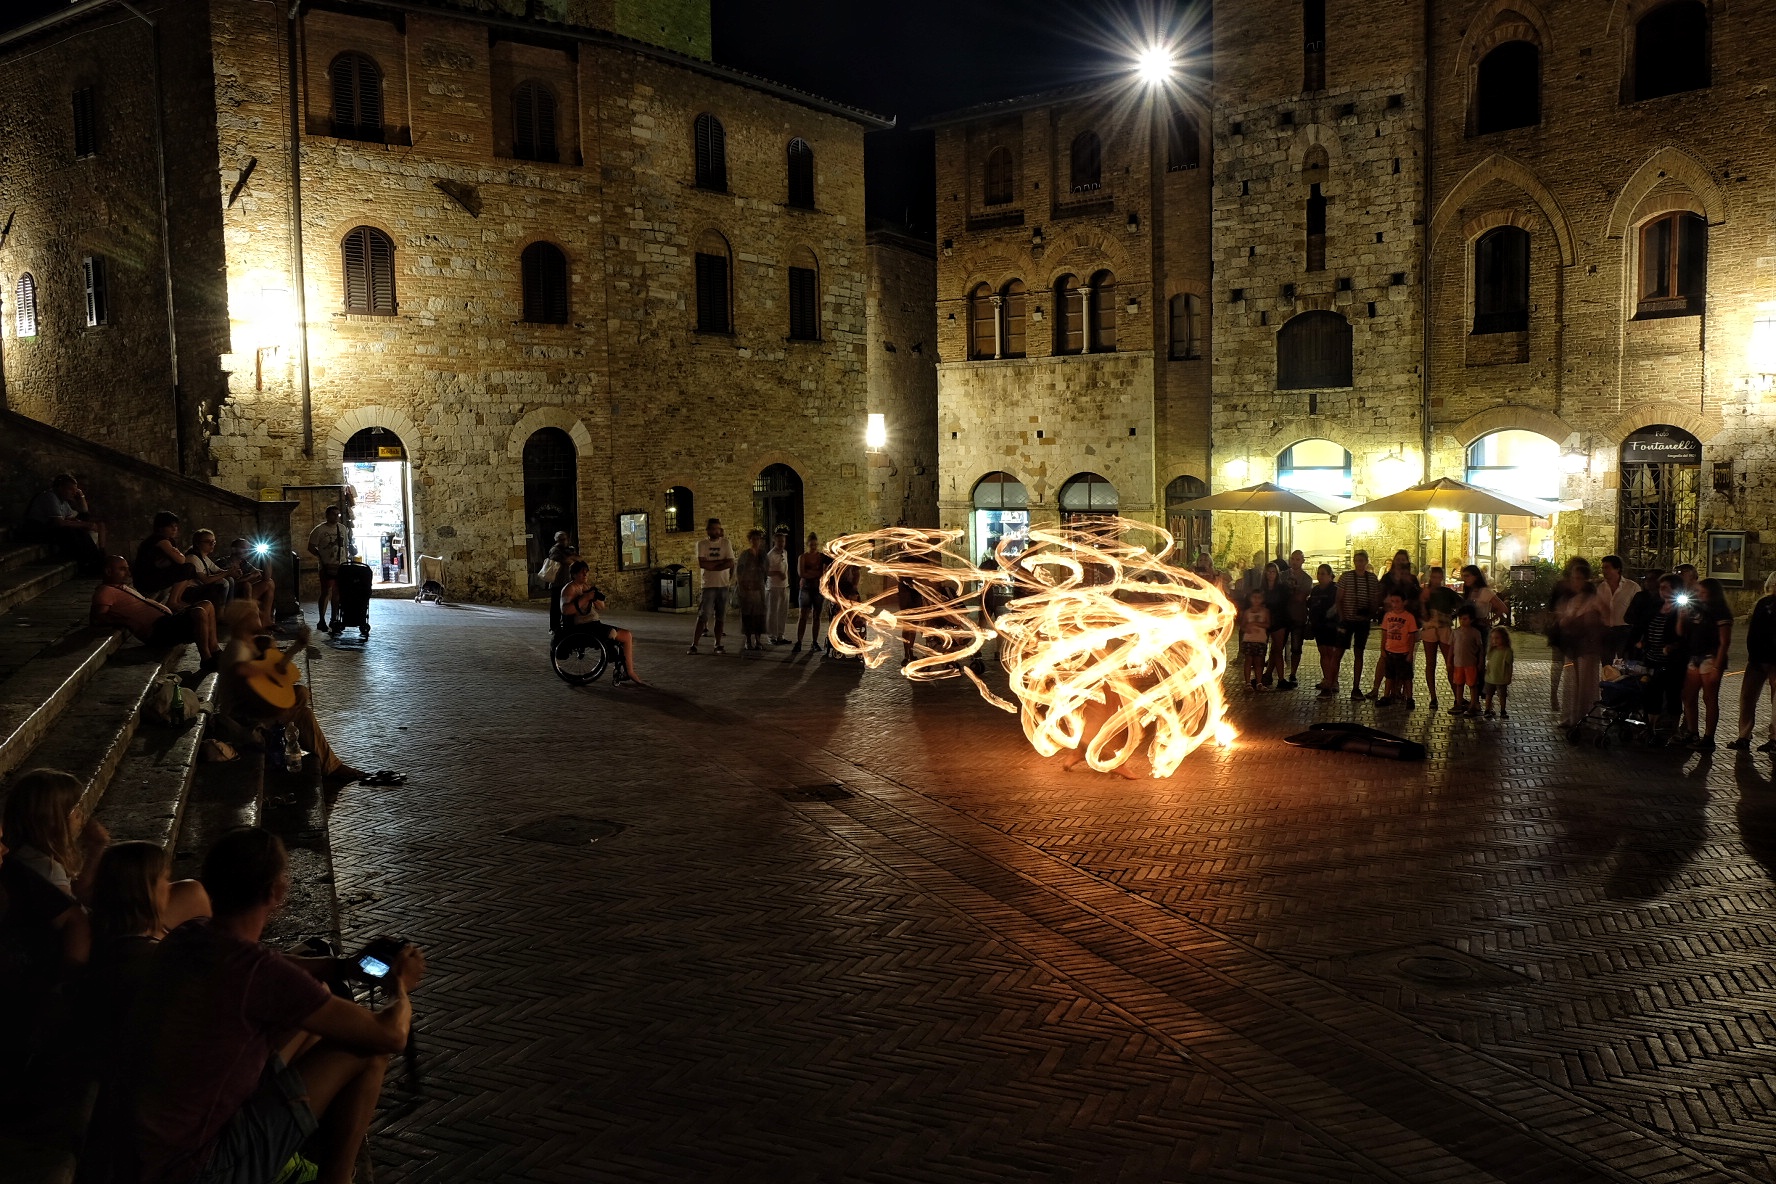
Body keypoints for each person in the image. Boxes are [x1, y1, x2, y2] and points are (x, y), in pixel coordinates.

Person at [116, 827, 425, 1184]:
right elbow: (391, 1035)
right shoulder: (258, 974)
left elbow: (275, 967)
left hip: (145, 1150)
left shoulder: (188, 936)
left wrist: (342, 966)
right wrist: (400, 986)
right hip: (200, 1168)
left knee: (313, 1008)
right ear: (277, 893)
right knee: (367, 1049)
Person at [214, 602, 372, 779]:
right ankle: (332, 767)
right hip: (245, 715)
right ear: (244, 621)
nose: (258, 615)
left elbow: (277, 668)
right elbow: (242, 671)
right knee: (304, 715)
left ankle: (285, 738)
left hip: (258, 705)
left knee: (301, 693)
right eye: (253, 614)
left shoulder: (251, 643)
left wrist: (298, 646)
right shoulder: (236, 647)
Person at [0, 769, 101, 975]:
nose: (80, 815)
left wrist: (96, 848)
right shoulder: (45, 868)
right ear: (54, 819)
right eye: (75, 809)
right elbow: (74, 914)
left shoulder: (22, 855)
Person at [92, 555, 219, 663]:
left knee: (206, 604)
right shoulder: (105, 591)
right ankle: (206, 658)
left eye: (127, 569)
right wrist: (124, 620)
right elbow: (98, 618)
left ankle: (215, 650)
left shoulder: (121, 587)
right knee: (198, 612)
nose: (128, 573)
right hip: (158, 630)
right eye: (122, 569)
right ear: (108, 572)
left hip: (166, 622)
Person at [559, 560, 645, 685]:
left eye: (586, 573)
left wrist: (594, 597)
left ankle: (629, 672)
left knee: (627, 635)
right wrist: (585, 598)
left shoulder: (586, 587)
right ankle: (612, 654)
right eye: (582, 573)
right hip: (582, 627)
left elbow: (601, 607)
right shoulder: (569, 588)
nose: (585, 575)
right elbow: (565, 610)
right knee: (611, 633)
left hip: (594, 623)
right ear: (574, 574)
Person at [1677, 576, 1733, 751]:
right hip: (1694, 656)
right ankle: (1692, 732)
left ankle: (1709, 738)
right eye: (1698, 592)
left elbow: (1725, 641)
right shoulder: (1695, 609)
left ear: (1712, 593)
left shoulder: (1721, 612)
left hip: (1710, 657)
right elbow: (1681, 632)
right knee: (1688, 695)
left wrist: (1717, 665)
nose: (1699, 595)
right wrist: (1681, 617)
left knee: (1709, 698)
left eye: (1703, 592)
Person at [1557, 558, 1608, 731]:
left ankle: (1587, 717)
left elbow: (1606, 617)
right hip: (1573, 646)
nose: (1574, 582)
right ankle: (1572, 716)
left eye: (1578, 578)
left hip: (1587, 646)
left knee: (1587, 683)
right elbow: (1563, 621)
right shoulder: (1572, 600)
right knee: (1572, 681)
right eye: (1573, 578)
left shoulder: (1594, 599)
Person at [1729, 572, 1776, 752]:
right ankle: (1747, 736)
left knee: (1749, 698)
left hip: (1762, 658)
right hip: (1759, 658)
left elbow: (1755, 632)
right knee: (1749, 698)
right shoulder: (1764, 604)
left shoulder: (1764, 604)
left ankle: (1747, 736)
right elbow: (1755, 632)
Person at [24, 473, 105, 573]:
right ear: (60, 488)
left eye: (75, 490)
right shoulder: (50, 496)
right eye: (70, 489)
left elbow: (71, 518)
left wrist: (83, 524)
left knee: (80, 531)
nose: (74, 493)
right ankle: (88, 564)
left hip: (50, 529)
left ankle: (97, 561)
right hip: (36, 531)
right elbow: (59, 522)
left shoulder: (63, 501)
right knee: (69, 532)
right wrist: (85, 524)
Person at [1367, 551, 1420, 699]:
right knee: (1385, 655)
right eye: (1399, 559)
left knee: (1406, 658)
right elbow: (1380, 595)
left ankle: (1399, 689)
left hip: (1408, 622)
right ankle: (1377, 688)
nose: (1401, 562)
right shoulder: (1387, 578)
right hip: (1391, 621)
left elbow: (1417, 598)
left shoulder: (1412, 579)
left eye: (1404, 560)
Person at [1333, 550, 1379, 700]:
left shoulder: (1372, 579)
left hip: (1362, 622)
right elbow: (1339, 599)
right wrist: (1342, 617)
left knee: (1359, 653)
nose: (1359, 563)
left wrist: (1370, 615)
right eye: (1356, 561)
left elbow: (1374, 599)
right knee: (1338, 652)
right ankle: (1332, 682)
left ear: (1366, 562)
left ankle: (1356, 687)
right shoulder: (1346, 577)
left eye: (1361, 561)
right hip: (1347, 620)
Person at [134, 511, 200, 610]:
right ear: (160, 528)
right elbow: (181, 560)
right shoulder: (159, 540)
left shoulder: (169, 540)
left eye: (176, 526)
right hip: (147, 579)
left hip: (157, 574)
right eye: (170, 526)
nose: (174, 529)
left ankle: (177, 599)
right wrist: (176, 555)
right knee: (186, 568)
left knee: (189, 569)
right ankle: (172, 602)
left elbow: (177, 560)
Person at [688, 518, 735, 655]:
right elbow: (703, 564)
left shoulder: (726, 543)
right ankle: (694, 644)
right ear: (708, 530)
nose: (715, 531)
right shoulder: (702, 544)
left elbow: (730, 563)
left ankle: (718, 643)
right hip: (708, 585)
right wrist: (721, 563)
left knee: (720, 617)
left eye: (717, 528)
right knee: (703, 615)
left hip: (723, 585)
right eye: (713, 529)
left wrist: (714, 565)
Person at [1419, 567, 1461, 711]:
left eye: (1438, 577)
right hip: (1430, 629)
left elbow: (1462, 605)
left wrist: (1451, 617)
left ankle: (1457, 697)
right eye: (1434, 577)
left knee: (1450, 663)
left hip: (1442, 629)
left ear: (1442, 577)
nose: (1436, 580)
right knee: (1431, 663)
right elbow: (1420, 611)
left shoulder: (1447, 592)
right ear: (1430, 577)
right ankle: (1433, 697)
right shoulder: (1424, 591)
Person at [306, 505, 351, 633]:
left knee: (337, 593)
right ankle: (321, 620)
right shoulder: (319, 530)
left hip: (341, 566)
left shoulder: (342, 529)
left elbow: (345, 546)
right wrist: (320, 557)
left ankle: (334, 619)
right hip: (327, 566)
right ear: (327, 515)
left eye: (338, 514)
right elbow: (310, 547)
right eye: (333, 514)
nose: (336, 517)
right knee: (326, 592)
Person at [224, 539, 278, 632]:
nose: (248, 552)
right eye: (244, 548)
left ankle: (266, 621)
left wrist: (267, 558)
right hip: (231, 598)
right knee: (247, 585)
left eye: (249, 549)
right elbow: (229, 583)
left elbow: (266, 577)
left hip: (245, 594)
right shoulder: (224, 562)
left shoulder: (243, 563)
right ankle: (251, 621)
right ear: (234, 550)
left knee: (269, 583)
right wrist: (250, 576)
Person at [1376, 591, 1417, 708]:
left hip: (1403, 652)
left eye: (1397, 602)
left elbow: (1412, 636)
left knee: (1406, 676)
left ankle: (1410, 698)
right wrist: (1382, 648)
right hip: (1390, 650)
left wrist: (1410, 652)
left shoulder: (1409, 617)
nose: (1394, 604)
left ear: (1404, 602)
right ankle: (1386, 695)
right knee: (1389, 675)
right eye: (1393, 602)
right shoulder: (1388, 616)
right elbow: (1384, 633)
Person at [1597, 555, 1641, 662]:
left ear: (1617, 569)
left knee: (1625, 662)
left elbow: (1639, 610)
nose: (1604, 571)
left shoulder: (1632, 587)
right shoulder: (1601, 587)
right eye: (1603, 568)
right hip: (1606, 630)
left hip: (1624, 631)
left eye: (1607, 567)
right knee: (1606, 664)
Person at [1305, 563, 1340, 696]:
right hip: (1319, 626)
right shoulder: (1316, 590)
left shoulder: (1335, 589)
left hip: (1331, 626)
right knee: (1323, 653)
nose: (1320, 576)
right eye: (1319, 573)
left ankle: (1332, 681)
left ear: (1330, 576)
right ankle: (1327, 679)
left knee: (1331, 654)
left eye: (1323, 573)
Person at [793, 531, 828, 654]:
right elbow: (801, 573)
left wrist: (811, 574)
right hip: (806, 588)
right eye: (811, 545)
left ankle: (814, 642)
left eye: (815, 545)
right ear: (807, 544)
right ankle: (799, 641)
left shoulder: (821, 557)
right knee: (803, 615)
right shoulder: (803, 557)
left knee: (816, 616)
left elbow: (824, 573)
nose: (813, 547)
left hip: (817, 589)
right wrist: (816, 574)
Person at [184, 529, 235, 612]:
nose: (212, 544)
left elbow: (218, 570)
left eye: (213, 541)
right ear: (197, 543)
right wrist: (227, 572)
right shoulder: (193, 558)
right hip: (192, 591)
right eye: (208, 541)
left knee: (230, 579)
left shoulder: (204, 558)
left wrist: (232, 572)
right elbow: (205, 580)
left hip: (201, 587)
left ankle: (229, 610)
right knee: (223, 582)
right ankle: (220, 612)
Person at [734, 529, 769, 652]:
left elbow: (766, 571)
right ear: (750, 540)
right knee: (748, 615)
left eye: (758, 539)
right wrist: (742, 586)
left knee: (759, 616)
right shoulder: (745, 554)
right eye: (754, 539)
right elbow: (739, 571)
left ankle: (758, 640)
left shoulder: (762, 555)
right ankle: (748, 640)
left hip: (759, 589)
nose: (756, 541)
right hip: (747, 589)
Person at [1283, 550, 1312, 688]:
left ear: (1302, 561)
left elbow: (1301, 597)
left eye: (1297, 559)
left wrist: (1290, 594)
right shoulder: (1283, 575)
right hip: (1283, 615)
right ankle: (1272, 672)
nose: (1294, 561)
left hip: (1298, 616)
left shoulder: (1306, 579)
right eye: (1293, 559)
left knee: (1296, 647)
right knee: (1278, 645)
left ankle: (1293, 673)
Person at [1261, 562, 1293, 689]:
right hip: (1265, 621)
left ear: (1277, 573)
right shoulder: (1262, 588)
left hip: (1278, 620)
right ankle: (1262, 677)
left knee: (1277, 650)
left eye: (1273, 572)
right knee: (1263, 650)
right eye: (1269, 571)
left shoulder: (1282, 588)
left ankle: (1281, 678)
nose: (1271, 574)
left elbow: (1285, 604)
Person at [1449, 605, 1483, 716]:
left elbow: (1480, 649)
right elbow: (1451, 647)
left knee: (1472, 685)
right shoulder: (1455, 632)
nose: (1462, 621)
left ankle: (1473, 705)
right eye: (1460, 619)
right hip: (1458, 663)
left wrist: (1480, 662)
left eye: (1465, 619)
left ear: (1471, 619)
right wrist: (1449, 661)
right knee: (1459, 683)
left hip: (1470, 663)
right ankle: (1459, 703)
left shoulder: (1475, 633)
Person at [1238, 588, 1271, 692]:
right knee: (1248, 661)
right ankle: (1248, 682)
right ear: (1250, 599)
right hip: (1249, 639)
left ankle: (1259, 682)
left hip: (1260, 640)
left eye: (1259, 598)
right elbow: (1242, 625)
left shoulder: (1265, 612)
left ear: (1262, 599)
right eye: (1254, 597)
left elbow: (1268, 624)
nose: (1256, 600)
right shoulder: (1247, 612)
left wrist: (1256, 624)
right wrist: (1246, 628)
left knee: (1259, 662)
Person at [764, 527, 792, 645]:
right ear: (775, 541)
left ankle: (780, 635)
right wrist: (777, 573)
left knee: (782, 612)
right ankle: (772, 636)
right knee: (772, 612)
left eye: (783, 541)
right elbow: (765, 571)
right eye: (780, 541)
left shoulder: (785, 553)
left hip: (784, 586)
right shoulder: (770, 555)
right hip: (773, 587)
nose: (782, 544)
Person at [544, 531, 576, 633]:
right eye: (561, 539)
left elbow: (579, 558)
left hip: (566, 582)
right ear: (556, 540)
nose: (563, 541)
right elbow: (568, 561)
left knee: (566, 605)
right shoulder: (554, 550)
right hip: (557, 583)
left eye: (565, 539)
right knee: (555, 607)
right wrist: (572, 557)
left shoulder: (567, 550)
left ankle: (566, 625)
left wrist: (572, 556)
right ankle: (554, 627)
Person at [1483, 627, 1515, 719]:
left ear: (1504, 638)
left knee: (1502, 696)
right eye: (1492, 638)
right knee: (1488, 695)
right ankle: (1487, 710)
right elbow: (1489, 662)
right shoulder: (1492, 650)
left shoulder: (1507, 652)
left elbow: (1509, 666)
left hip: (1501, 678)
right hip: (1490, 677)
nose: (1494, 641)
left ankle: (1503, 710)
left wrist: (1509, 677)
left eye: (1497, 638)